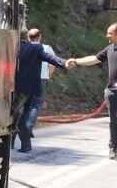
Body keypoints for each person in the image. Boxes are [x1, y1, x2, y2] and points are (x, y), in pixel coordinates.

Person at [66, 22, 117, 160]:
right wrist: (76, 61)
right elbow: (94, 59)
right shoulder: (110, 48)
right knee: (114, 121)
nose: (107, 36)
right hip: (112, 92)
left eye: (110, 33)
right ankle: (113, 148)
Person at [13, 33, 67, 152]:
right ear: (39, 36)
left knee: (15, 114)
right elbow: (51, 60)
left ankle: (16, 141)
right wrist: (64, 63)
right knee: (31, 109)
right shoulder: (39, 48)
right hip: (36, 84)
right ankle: (27, 134)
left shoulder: (14, 46)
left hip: (18, 86)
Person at [27, 28, 54, 136]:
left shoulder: (23, 47)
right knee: (36, 104)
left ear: (28, 37)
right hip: (41, 79)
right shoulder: (46, 48)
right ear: (40, 37)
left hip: (25, 79)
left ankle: (20, 127)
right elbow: (52, 65)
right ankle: (28, 126)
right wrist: (48, 76)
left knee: (25, 103)